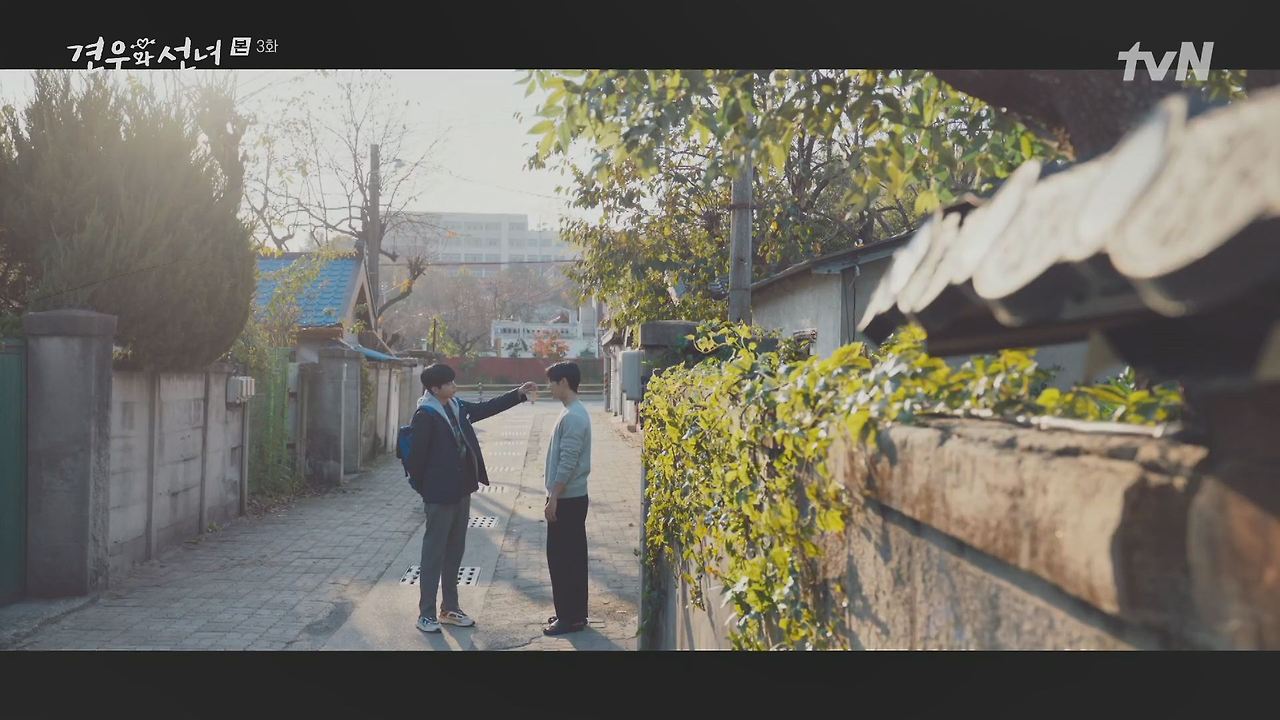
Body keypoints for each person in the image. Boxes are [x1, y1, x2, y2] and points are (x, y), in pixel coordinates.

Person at [407, 362, 537, 633]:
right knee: (433, 554)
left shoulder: (455, 406)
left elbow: (485, 408)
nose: (454, 386)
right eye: (449, 383)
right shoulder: (425, 415)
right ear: (434, 388)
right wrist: (427, 490)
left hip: (461, 491)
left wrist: (518, 394)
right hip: (439, 495)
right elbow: (416, 461)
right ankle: (426, 614)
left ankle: (450, 608)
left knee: (455, 551)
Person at [540, 361, 592, 636]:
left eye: (551, 382)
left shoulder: (573, 416)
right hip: (571, 497)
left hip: (567, 498)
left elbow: (568, 461)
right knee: (573, 557)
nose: (548, 387)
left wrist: (554, 497)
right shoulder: (572, 412)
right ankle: (574, 614)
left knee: (561, 559)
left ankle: (568, 618)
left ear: (563, 382)